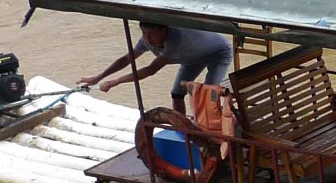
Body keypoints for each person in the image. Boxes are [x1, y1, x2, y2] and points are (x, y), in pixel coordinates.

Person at [83, 22, 233, 115]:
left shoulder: (176, 41)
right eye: (144, 33)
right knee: (176, 93)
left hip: (218, 53)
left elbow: (151, 69)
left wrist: (115, 81)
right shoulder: (147, 40)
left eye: (152, 34)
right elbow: (126, 59)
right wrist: (99, 77)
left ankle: (209, 127)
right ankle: (182, 128)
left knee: (208, 94)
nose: (148, 40)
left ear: (163, 31)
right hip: (191, 56)